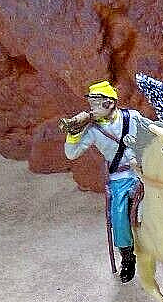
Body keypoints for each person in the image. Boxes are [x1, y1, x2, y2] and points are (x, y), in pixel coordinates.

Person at [61, 81, 144, 282]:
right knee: (119, 214)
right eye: (91, 103)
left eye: (97, 103)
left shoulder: (132, 117)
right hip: (121, 177)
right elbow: (71, 154)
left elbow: (151, 132)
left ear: (110, 103)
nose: (93, 108)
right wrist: (73, 133)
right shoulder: (93, 130)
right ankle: (127, 256)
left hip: (144, 169)